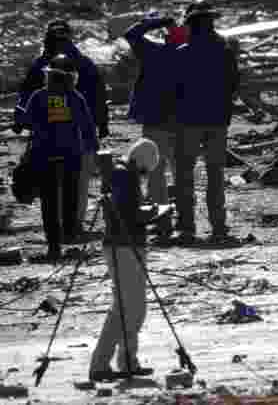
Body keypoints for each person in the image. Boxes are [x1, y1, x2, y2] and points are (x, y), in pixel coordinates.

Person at [16, 19, 109, 241]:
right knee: (74, 192)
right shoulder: (77, 87)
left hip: (43, 152)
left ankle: (54, 242)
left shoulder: (40, 88)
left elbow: (26, 113)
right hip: (72, 150)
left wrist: (22, 122)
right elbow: (90, 115)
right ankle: (72, 230)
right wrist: (97, 138)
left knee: (49, 197)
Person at [89, 138, 164, 382]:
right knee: (126, 309)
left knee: (133, 308)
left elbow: (125, 210)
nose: (144, 176)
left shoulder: (124, 173)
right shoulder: (124, 176)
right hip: (123, 247)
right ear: (141, 162)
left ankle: (128, 361)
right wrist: (155, 212)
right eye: (145, 171)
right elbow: (127, 214)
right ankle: (101, 364)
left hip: (126, 246)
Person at [15, 55, 100, 261]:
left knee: (49, 202)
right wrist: (94, 150)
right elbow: (87, 126)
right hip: (71, 155)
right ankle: (70, 236)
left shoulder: (39, 96)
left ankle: (53, 246)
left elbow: (26, 123)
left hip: (44, 155)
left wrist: (19, 114)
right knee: (70, 198)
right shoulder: (75, 97)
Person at [172, 0, 240, 243]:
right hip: (217, 120)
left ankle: (187, 227)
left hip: (188, 121)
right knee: (215, 174)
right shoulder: (225, 52)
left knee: (184, 175)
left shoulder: (181, 54)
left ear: (190, 25)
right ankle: (219, 226)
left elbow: (173, 90)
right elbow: (234, 85)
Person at [122, 13, 188, 240]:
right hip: (184, 123)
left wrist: (157, 22)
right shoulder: (191, 56)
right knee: (183, 174)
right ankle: (186, 223)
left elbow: (130, 34)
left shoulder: (154, 52)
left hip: (156, 122)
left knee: (156, 175)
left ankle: (163, 224)